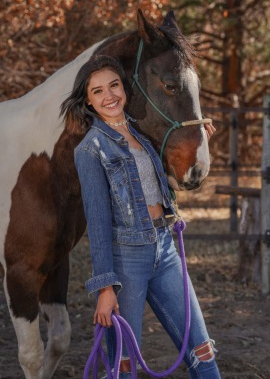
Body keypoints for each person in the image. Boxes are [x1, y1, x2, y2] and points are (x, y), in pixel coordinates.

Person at [61, 55, 220, 378]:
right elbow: (99, 222)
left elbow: (170, 185)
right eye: (98, 91)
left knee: (203, 353)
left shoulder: (144, 137)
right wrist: (105, 289)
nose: (109, 96)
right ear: (88, 101)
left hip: (166, 250)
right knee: (123, 366)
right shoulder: (90, 151)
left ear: (125, 88)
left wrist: (203, 142)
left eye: (114, 85)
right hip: (126, 259)